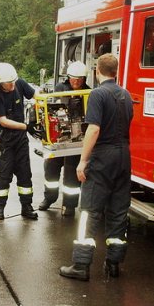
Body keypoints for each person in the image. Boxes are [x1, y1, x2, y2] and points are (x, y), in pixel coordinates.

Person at [59, 53, 133, 281]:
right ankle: (113, 262)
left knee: (90, 210)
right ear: (116, 71)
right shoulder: (126, 94)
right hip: (123, 155)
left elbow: (93, 129)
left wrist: (82, 161)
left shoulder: (98, 94)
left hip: (103, 156)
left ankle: (81, 264)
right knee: (118, 210)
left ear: (97, 71)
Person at [38, 61, 91, 217]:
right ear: (68, 77)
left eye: (80, 79)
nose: (76, 82)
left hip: (77, 138)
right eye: (73, 79)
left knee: (71, 175)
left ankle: (69, 206)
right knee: (51, 169)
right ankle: (49, 198)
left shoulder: (89, 92)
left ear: (84, 78)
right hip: (60, 136)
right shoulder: (60, 89)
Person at [0, 62, 38, 221]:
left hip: (20, 140)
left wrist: (40, 112)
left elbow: (37, 96)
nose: (12, 85)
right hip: (4, 140)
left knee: (25, 174)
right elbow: (2, 121)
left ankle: (27, 207)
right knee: (3, 175)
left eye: (13, 81)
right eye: (9, 83)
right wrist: (26, 126)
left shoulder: (20, 83)